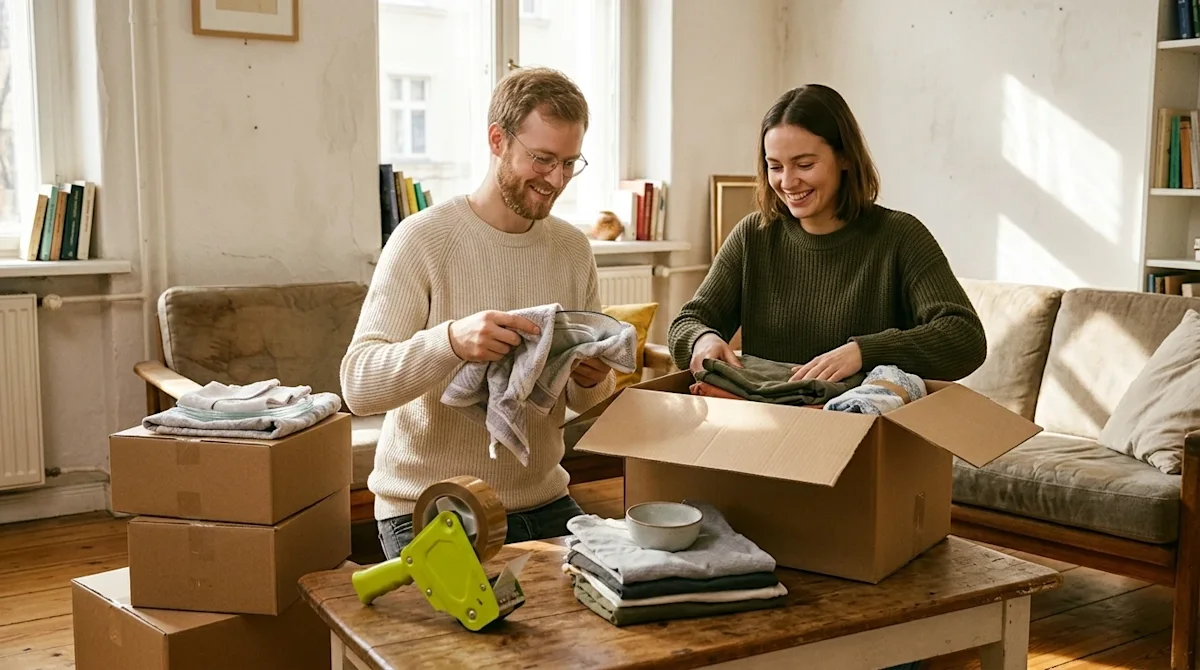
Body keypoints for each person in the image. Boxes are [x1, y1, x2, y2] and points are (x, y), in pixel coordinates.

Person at [341, 67, 616, 560]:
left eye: (570, 163)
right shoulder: (423, 239)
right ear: (497, 140)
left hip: (545, 498)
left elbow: (583, 399)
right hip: (430, 505)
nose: (556, 180)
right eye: (542, 159)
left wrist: (592, 376)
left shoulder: (574, 249)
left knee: (607, 619)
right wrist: (450, 342)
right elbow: (359, 386)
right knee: (481, 633)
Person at [668, 84, 987, 387]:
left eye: (804, 164)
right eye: (775, 167)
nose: (788, 182)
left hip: (866, 430)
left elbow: (965, 338)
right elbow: (688, 321)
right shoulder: (753, 236)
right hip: (770, 424)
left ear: (845, 157)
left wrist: (864, 353)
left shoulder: (900, 236)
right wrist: (702, 339)